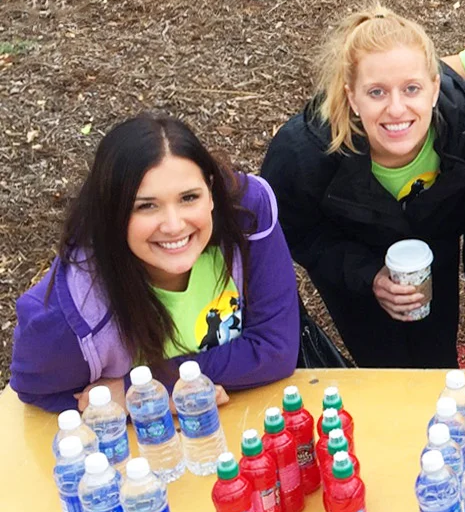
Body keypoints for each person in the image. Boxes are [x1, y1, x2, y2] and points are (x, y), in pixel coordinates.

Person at [10, 115, 300, 412]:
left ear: (211, 192)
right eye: (146, 206)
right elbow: (37, 392)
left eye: (189, 198)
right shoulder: (64, 318)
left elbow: (276, 349)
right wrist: (149, 402)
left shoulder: (246, 212)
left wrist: (143, 388)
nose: (174, 225)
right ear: (112, 212)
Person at [262, 6, 465, 368]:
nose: (397, 109)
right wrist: (367, 275)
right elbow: (295, 231)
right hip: (353, 256)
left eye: (412, 88)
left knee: (437, 360)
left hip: (434, 250)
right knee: (382, 365)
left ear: (435, 88)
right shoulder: (303, 155)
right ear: (351, 97)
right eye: (376, 93)